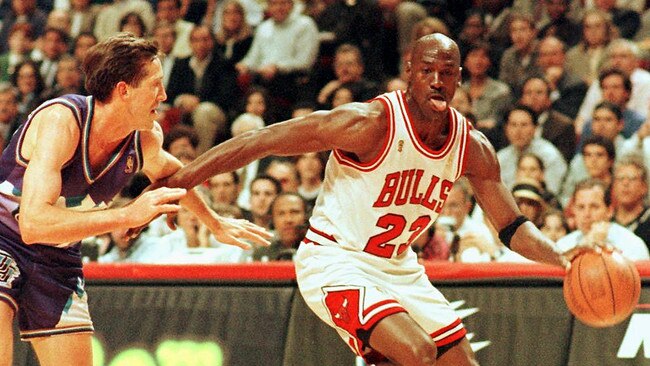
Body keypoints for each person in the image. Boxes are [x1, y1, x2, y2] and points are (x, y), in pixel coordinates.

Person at [157, 33, 570, 365]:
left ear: (460, 77)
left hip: (399, 269)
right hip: (335, 261)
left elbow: (513, 228)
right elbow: (263, 140)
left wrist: (566, 260)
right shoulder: (369, 123)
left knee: (459, 361)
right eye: (427, 70)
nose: (437, 80)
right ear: (410, 72)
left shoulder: (472, 147)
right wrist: (181, 180)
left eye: (447, 72)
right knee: (417, 352)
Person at [0, 34, 270, 366]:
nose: (164, 95)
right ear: (124, 89)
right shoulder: (63, 120)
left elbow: (175, 177)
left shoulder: (145, 139)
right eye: (155, 85)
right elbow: (33, 224)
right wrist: (127, 215)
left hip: (58, 256)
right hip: (5, 237)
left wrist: (214, 222)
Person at [556, 179, 649, 261]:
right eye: (581, 207)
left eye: (594, 207)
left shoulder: (632, 245)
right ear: (573, 210)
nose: (586, 214)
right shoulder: (563, 245)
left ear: (609, 211)